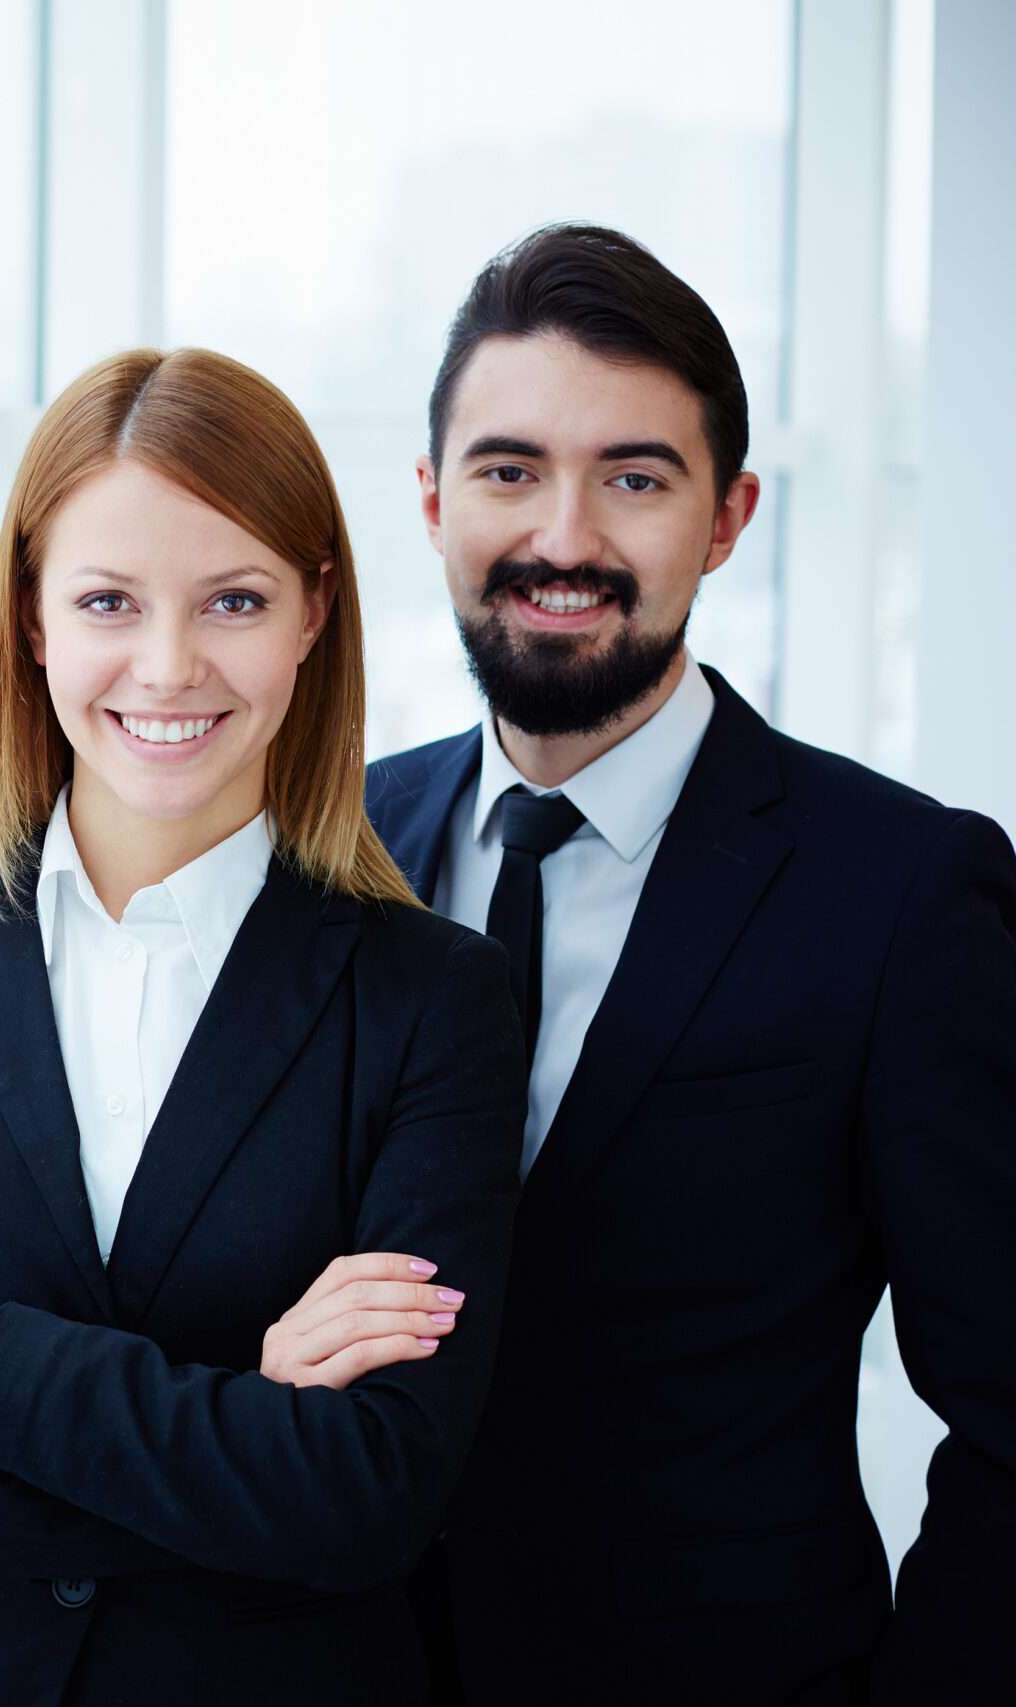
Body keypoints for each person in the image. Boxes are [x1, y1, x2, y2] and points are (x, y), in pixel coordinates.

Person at [0, 346, 527, 1705]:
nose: (168, 668)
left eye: (233, 599)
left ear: (312, 616)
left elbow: (373, 1495)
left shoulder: (432, 1003)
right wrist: (249, 1415)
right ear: (38, 618)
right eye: (110, 600)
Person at [368, 223, 1016, 1704]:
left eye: (637, 479)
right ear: (432, 499)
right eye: (510, 469)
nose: (567, 538)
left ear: (727, 518)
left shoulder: (903, 892)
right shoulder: (330, 849)